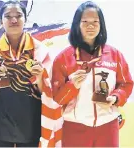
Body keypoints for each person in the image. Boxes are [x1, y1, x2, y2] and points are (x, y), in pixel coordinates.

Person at [51, 1, 133, 147]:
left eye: (96, 21)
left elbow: (126, 84)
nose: (91, 25)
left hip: (108, 127)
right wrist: (72, 86)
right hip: (75, 128)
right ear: (77, 24)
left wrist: (115, 98)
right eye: (85, 21)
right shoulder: (63, 59)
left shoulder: (114, 55)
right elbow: (58, 98)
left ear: (101, 24)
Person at [0, 0, 62, 147]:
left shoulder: (40, 50)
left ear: (26, 19)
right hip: (1, 123)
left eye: (18, 15)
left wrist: (39, 79)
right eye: (8, 16)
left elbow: (49, 92)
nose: (13, 20)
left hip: (31, 121)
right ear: (1, 21)